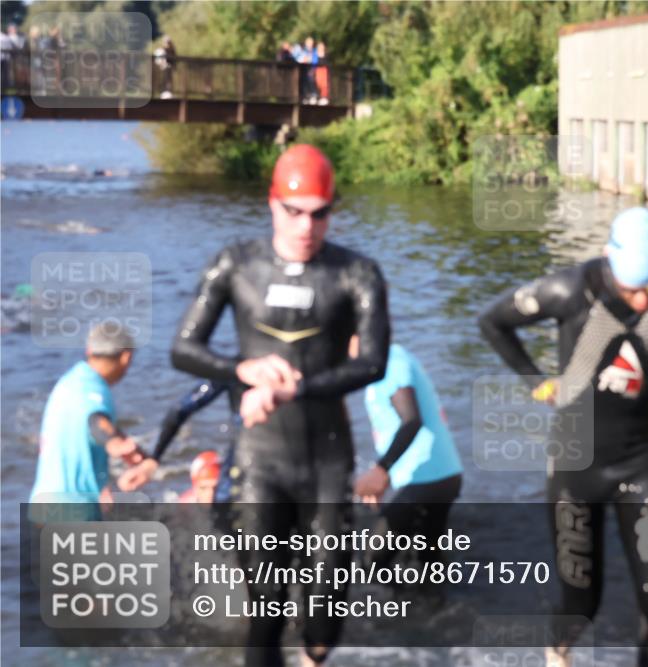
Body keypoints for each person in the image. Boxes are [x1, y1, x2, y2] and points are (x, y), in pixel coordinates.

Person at [170, 143, 390, 667]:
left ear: (332, 211)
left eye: (319, 214)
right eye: (294, 212)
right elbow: (183, 349)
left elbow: (374, 365)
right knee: (264, 611)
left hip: (327, 459)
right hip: (261, 458)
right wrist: (241, 370)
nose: (306, 227)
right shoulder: (236, 264)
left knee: (322, 618)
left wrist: (298, 387)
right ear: (273, 205)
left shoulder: (356, 273)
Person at [480, 208, 648, 667]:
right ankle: (556, 654)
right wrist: (535, 381)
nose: (643, 301)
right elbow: (492, 322)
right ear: (608, 262)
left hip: (642, 461)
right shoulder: (569, 289)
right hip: (575, 465)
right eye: (630, 289)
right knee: (582, 603)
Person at [349, 336, 463, 575]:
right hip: (438, 475)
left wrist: (380, 470)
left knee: (371, 563)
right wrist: (386, 478)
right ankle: (431, 606)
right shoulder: (382, 363)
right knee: (427, 564)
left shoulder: (390, 362)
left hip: (426, 478)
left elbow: (411, 421)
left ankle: (393, 609)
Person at [29, 322, 151, 521]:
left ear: (89, 351)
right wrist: (113, 442)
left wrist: (127, 447)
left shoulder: (73, 381)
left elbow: (92, 421)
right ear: (126, 357)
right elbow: (96, 422)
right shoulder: (93, 391)